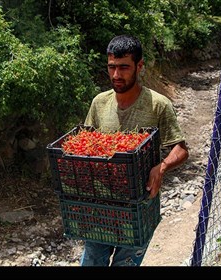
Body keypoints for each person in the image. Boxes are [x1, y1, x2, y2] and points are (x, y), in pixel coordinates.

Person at [81, 34, 189, 266]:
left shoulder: (158, 105)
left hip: (139, 206)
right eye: (112, 67)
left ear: (139, 66)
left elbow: (180, 149)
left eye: (124, 67)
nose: (116, 75)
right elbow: (86, 145)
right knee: (92, 260)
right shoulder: (99, 103)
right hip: (101, 204)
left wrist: (162, 167)